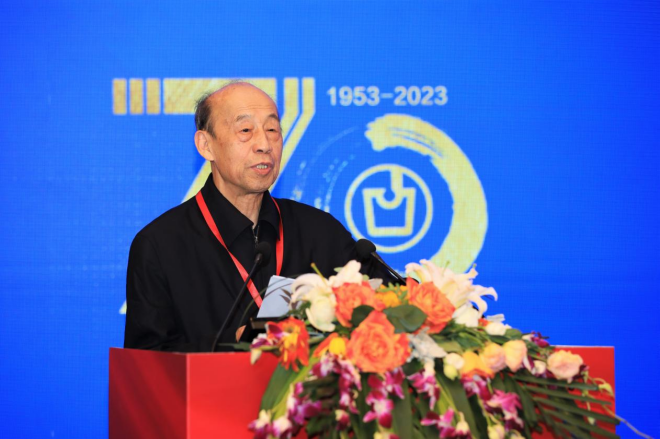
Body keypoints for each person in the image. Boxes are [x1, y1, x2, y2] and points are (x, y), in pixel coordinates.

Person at [124, 82, 392, 352]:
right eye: (245, 130)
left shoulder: (320, 232)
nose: (264, 144)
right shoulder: (160, 245)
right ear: (206, 145)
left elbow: (389, 301)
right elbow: (144, 364)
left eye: (272, 130)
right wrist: (233, 343)